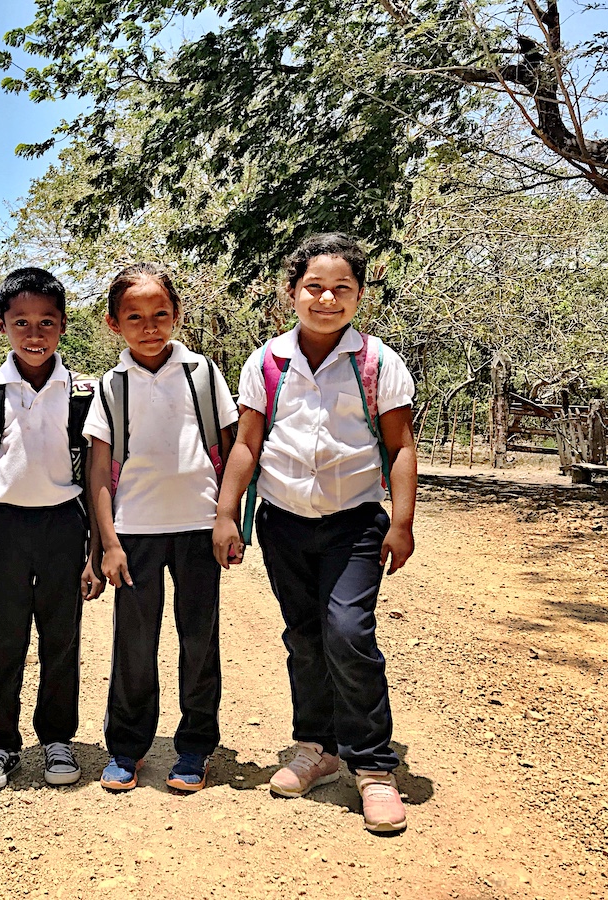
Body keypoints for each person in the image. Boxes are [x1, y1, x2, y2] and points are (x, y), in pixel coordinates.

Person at [213, 232, 418, 833]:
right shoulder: (268, 362)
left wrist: (401, 522)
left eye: (342, 289)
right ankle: (317, 748)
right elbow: (248, 442)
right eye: (314, 287)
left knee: (347, 631)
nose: (327, 299)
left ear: (360, 295)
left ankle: (374, 767)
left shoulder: (377, 363)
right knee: (304, 635)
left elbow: (400, 444)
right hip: (282, 523)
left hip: (354, 522)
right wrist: (228, 513)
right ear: (291, 292)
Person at [83, 263, 238, 793]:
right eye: (135, 317)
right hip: (134, 533)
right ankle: (127, 746)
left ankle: (195, 746)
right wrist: (107, 542)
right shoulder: (111, 385)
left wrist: (228, 517)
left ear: (177, 315)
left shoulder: (203, 374)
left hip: (198, 526)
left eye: (161, 314)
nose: (150, 327)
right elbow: (99, 470)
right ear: (113, 324)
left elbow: (233, 444)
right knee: (133, 642)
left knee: (199, 640)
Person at [0, 267, 105, 791]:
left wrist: (95, 551)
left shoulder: (86, 392)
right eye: (21, 322)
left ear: (63, 325)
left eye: (46, 321)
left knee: (61, 637)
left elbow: (93, 475)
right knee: (4, 639)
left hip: (64, 526)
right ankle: (1, 743)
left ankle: (57, 739)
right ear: (2, 325)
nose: (34, 333)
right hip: (3, 528)